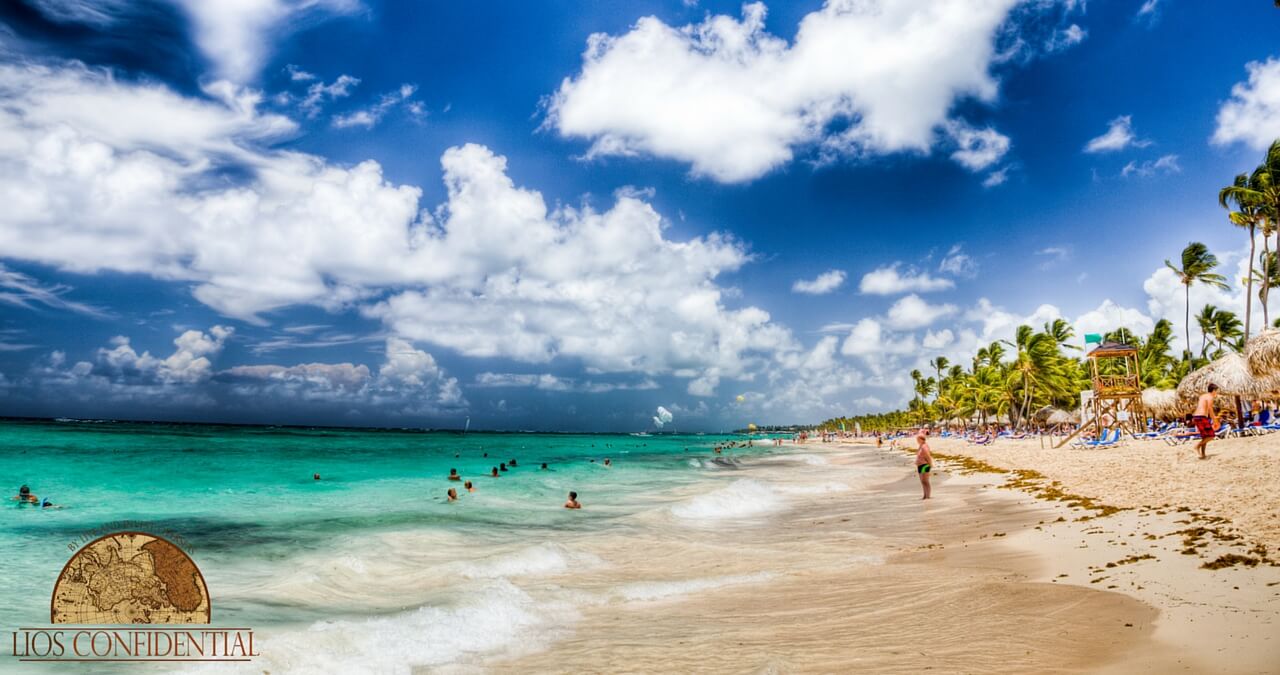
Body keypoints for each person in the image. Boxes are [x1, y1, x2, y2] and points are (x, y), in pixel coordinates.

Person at [1192, 383, 1219, 460]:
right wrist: (1215, 421)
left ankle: (1203, 454)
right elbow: (1210, 409)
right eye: (1216, 391)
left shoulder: (1203, 396)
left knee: (1205, 436)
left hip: (1197, 417)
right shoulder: (1210, 397)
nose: (1216, 393)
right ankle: (1197, 446)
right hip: (1201, 417)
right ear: (1213, 390)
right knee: (1211, 435)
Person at [915, 432, 933, 500]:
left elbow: (928, 456)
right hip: (920, 465)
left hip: (924, 465)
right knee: (922, 481)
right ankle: (925, 495)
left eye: (917, 439)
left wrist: (930, 464)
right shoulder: (921, 445)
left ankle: (927, 496)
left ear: (921, 439)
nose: (917, 441)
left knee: (925, 481)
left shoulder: (924, 446)